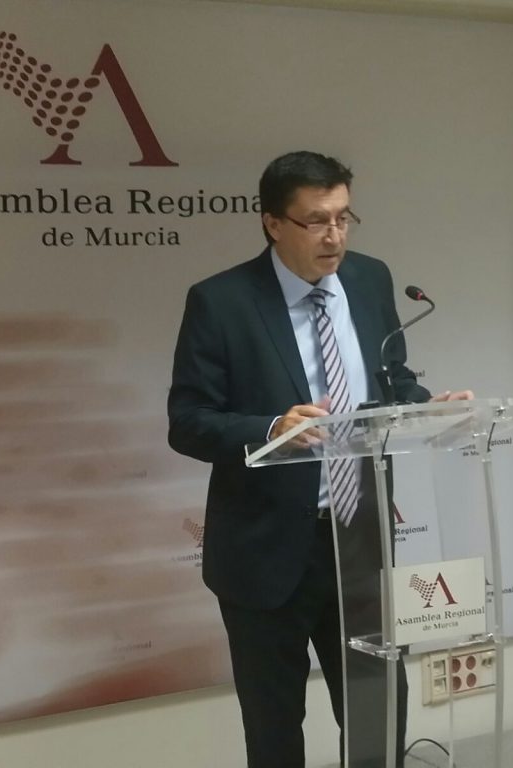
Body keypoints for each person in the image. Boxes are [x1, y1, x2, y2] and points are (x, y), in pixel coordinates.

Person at [168, 150, 472, 767]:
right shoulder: (222, 302)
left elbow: (390, 381)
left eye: (343, 217)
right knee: (275, 726)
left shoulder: (370, 280)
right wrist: (271, 428)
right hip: (265, 549)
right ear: (273, 223)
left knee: (378, 710)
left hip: (360, 538)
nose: (334, 236)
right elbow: (189, 422)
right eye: (315, 221)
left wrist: (425, 407)